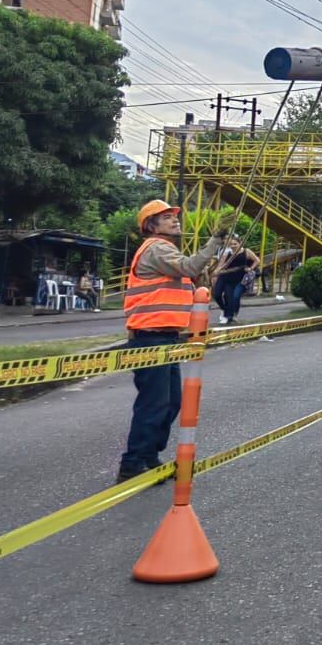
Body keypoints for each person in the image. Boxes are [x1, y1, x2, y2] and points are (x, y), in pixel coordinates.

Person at [117, 199, 225, 483]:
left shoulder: (165, 251)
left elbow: (188, 278)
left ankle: (149, 456)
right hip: (150, 340)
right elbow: (189, 267)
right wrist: (215, 241)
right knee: (154, 404)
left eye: (174, 216)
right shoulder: (156, 248)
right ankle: (133, 463)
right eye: (166, 217)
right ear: (151, 226)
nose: (175, 220)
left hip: (165, 338)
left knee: (170, 402)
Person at [211, 233, 259, 326]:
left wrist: (251, 268)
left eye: (235, 244)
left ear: (240, 243)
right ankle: (226, 312)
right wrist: (215, 273)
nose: (233, 246)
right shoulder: (227, 253)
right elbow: (221, 265)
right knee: (222, 296)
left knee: (234, 296)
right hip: (227, 277)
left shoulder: (246, 251)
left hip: (238, 278)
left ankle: (232, 315)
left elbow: (257, 260)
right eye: (231, 244)